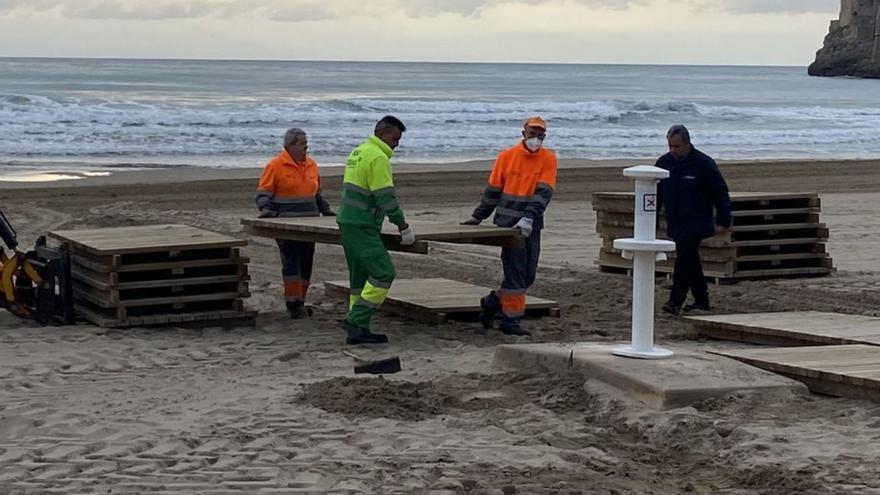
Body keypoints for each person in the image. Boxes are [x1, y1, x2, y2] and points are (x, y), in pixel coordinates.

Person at [462, 117, 557, 336]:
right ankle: (511, 321)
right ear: (523, 133)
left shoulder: (548, 159)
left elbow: (544, 193)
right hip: (507, 226)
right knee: (515, 274)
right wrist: (478, 217)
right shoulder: (506, 157)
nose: (536, 138)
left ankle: (491, 302)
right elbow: (493, 191)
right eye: (532, 133)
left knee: (528, 275)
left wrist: (530, 218)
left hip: (531, 225)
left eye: (540, 134)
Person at [337, 115, 415, 345]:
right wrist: (403, 227)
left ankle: (358, 329)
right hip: (362, 225)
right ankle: (356, 319)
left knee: (359, 278)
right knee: (383, 272)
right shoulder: (378, 158)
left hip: (348, 222)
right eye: (395, 138)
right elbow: (386, 198)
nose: (397, 144)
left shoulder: (358, 152)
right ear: (383, 134)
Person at [255, 127, 335, 319]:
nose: (306, 148)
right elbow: (263, 193)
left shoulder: (312, 165)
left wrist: (326, 211)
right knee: (291, 263)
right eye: (302, 144)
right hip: (286, 226)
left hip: (310, 225)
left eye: (307, 144)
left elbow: (317, 194)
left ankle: (301, 299)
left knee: (306, 263)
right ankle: (293, 304)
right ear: (290, 146)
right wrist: (267, 210)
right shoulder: (275, 165)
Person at [656, 124, 731, 315]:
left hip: (697, 221)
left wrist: (723, 220)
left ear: (688, 144)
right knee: (690, 260)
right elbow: (655, 195)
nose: (673, 150)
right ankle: (701, 300)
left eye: (677, 146)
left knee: (684, 258)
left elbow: (720, 192)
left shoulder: (703, 164)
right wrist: (652, 220)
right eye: (670, 146)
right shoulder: (663, 164)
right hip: (676, 221)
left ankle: (675, 301)